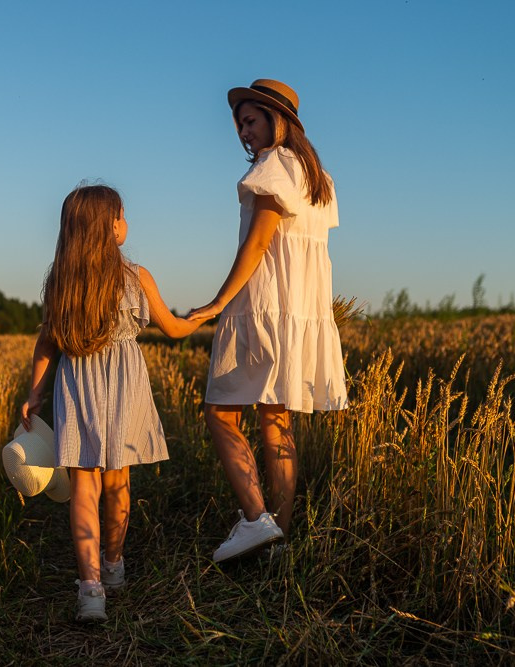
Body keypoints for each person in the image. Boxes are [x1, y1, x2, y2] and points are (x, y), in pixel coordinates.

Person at [21, 184, 200, 622]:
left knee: (84, 485)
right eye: (122, 215)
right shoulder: (137, 277)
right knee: (118, 481)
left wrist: (35, 393)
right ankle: (114, 565)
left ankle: (90, 590)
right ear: (110, 227)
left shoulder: (61, 281)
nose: (126, 223)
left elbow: (46, 342)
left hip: (76, 383)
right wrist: (205, 314)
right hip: (124, 384)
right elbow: (174, 329)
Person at [187, 79, 348, 563]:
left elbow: (258, 243)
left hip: (262, 308)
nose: (243, 132)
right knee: (277, 422)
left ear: (279, 120)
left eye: (250, 120)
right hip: (298, 311)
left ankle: (257, 520)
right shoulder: (316, 176)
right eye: (239, 124)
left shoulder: (274, 166)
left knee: (220, 412)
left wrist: (217, 303)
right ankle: (279, 540)